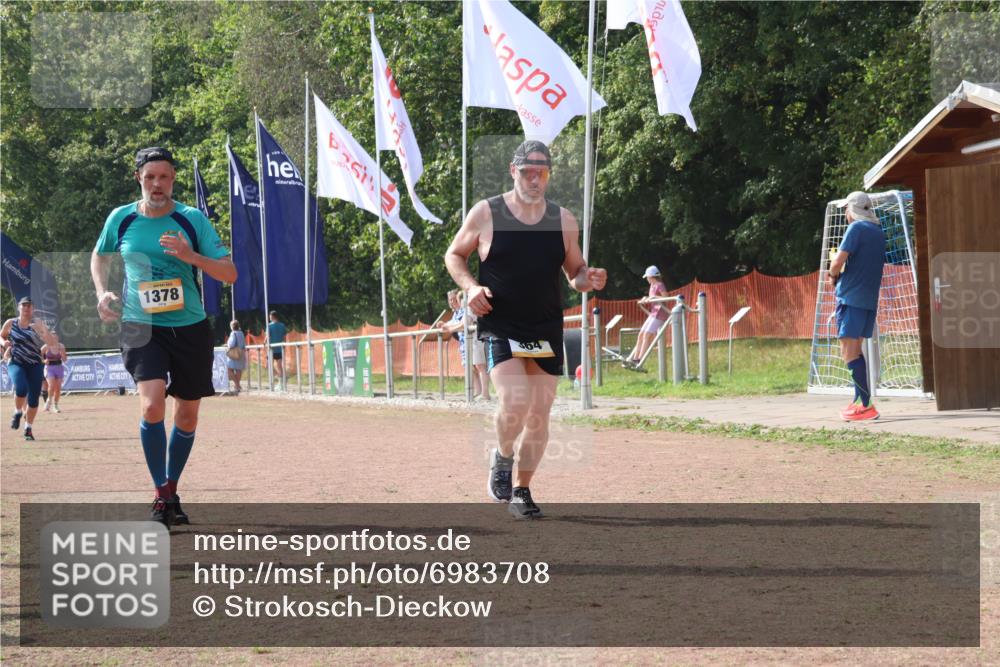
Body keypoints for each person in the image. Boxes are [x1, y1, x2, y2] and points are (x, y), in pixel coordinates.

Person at [445, 139, 607, 519]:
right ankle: (502, 456)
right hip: (501, 323)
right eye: (527, 171)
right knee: (515, 401)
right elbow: (454, 254)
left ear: (549, 175)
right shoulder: (487, 213)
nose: (535, 179)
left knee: (540, 412)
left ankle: (522, 490)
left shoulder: (563, 220)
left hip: (545, 325)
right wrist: (471, 288)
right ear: (513, 171)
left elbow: (575, 275)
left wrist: (591, 277)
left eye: (542, 172)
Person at [90, 146, 237, 527]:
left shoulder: (192, 219)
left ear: (173, 179)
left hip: (189, 327)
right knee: (152, 406)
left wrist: (191, 257)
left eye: (165, 177)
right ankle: (161, 494)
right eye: (150, 176)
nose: (157, 184)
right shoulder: (120, 219)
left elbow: (230, 273)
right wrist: (101, 291)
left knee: (186, 414)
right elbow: (100, 255)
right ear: (138, 177)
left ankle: (171, 487)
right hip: (141, 325)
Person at [830, 191, 885, 422]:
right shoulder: (878, 232)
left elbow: (838, 261)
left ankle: (866, 405)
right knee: (856, 350)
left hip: (850, 298)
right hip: (868, 300)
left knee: (848, 351)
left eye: (846, 209)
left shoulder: (856, 229)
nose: (844, 214)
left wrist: (832, 274)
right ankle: (858, 401)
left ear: (853, 209)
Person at [0, 296, 56, 440]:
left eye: (29, 306)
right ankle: (18, 412)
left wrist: (43, 332)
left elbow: (51, 342)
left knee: (33, 401)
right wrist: (5, 342)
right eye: (24, 305)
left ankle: (28, 429)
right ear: (19, 307)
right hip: (16, 361)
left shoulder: (37, 323)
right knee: (21, 388)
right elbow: (1, 336)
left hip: (35, 364)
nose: (26, 308)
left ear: (33, 309)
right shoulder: (11, 323)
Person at [440, 289, 491, 400]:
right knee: (476, 367)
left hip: (477, 339)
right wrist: (448, 327)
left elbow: (464, 324)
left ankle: (485, 394)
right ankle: (480, 392)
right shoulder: (467, 308)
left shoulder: (470, 308)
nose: (458, 302)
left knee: (480, 366)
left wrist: (449, 328)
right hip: (473, 341)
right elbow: (461, 323)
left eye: (459, 299)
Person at [624, 265, 669, 368]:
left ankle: (640, 360)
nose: (647, 279)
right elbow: (651, 297)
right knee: (641, 334)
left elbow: (666, 297)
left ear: (651, 276)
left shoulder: (660, 284)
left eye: (647, 277)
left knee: (647, 335)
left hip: (660, 314)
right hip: (653, 313)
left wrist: (653, 297)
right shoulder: (652, 286)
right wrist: (646, 298)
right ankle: (634, 358)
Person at [41, 333, 67, 412]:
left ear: (58, 338)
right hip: (49, 368)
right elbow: (38, 356)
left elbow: (65, 359)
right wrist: (44, 360)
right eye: (52, 338)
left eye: (56, 337)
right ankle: (49, 401)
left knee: (58, 389)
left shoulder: (61, 346)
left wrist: (63, 355)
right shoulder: (45, 347)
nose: (54, 339)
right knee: (51, 386)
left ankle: (55, 405)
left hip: (59, 367)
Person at [266, 310, 287, 389]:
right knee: (279, 366)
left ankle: (280, 379)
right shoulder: (282, 325)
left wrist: (264, 343)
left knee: (268, 365)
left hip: (272, 349)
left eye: (270, 316)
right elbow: (285, 337)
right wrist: (284, 345)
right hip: (280, 348)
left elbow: (268, 336)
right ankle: (281, 381)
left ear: (273, 316)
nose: (269, 317)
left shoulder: (269, 326)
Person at [226, 319, 247, 394]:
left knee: (229, 370)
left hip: (234, 353)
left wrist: (227, 346)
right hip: (241, 352)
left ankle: (237, 385)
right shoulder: (241, 333)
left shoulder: (233, 333)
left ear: (232, 326)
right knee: (238, 370)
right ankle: (237, 386)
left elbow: (231, 344)